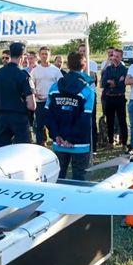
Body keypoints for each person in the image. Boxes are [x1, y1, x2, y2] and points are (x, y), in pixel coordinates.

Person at [45, 52, 95, 180]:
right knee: (79, 179)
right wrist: (71, 139)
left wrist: (56, 135)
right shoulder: (88, 91)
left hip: (59, 141)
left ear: (67, 65)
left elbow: (48, 114)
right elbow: (85, 120)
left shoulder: (54, 87)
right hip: (79, 143)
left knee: (57, 178)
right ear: (83, 66)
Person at [0, 42, 36, 147]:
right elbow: (32, 105)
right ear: (22, 56)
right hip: (20, 118)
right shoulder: (24, 76)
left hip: (3, 117)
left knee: (2, 150)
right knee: (23, 149)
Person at [30, 46, 62, 146]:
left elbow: (61, 85)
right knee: (39, 125)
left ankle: (56, 142)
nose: (44, 56)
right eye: (42, 54)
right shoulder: (35, 70)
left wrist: (52, 97)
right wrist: (34, 93)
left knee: (53, 124)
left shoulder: (55, 70)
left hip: (52, 102)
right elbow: (31, 84)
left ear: (49, 55)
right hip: (39, 102)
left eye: (46, 54)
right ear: (39, 56)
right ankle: (40, 144)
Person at [101, 48, 128, 150]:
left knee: (122, 121)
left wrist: (113, 82)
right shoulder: (108, 69)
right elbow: (103, 84)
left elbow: (122, 85)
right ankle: (110, 142)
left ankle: (124, 143)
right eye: (113, 56)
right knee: (110, 121)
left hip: (120, 98)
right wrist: (113, 81)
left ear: (121, 57)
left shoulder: (124, 70)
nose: (114, 58)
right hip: (109, 98)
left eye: (117, 56)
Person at [78, 43, 99, 152]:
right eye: (80, 51)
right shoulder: (77, 64)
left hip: (90, 94)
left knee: (91, 120)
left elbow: (91, 77)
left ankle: (93, 146)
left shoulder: (92, 63)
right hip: (79, 95)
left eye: (84, 51)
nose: (82, 53)